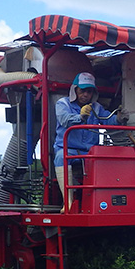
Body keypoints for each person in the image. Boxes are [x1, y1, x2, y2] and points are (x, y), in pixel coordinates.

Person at [53, 72, 119, 205]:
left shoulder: (96, 107)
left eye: (89, 92)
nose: (85, 95)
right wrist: (81, 117)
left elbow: (108, 120)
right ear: (74, 90)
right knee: (60, 157)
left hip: (90, 152)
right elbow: (65, 119)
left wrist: (119, 118)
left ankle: (103, 201)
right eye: (82, 91)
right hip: (68, 150)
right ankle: (68, 202)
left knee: (109, 158)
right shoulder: (63, 104)